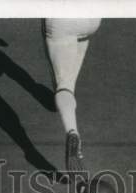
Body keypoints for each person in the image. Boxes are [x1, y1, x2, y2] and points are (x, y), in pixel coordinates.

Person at [42, 19, 102, 174]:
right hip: (92, 20)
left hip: (62, 21)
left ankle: (72, 131)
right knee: (66, 82)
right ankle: (63, 97)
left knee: (64, 84)